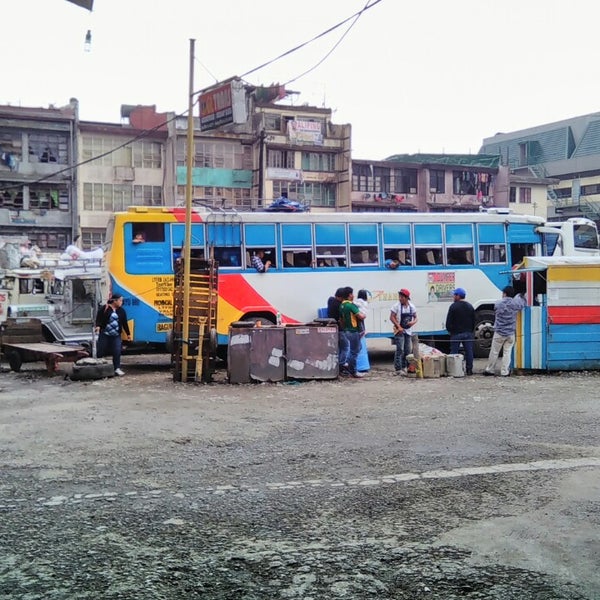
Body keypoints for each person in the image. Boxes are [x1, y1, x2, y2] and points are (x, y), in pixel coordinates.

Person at [483, 285, 527, 377]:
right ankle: (504, 372)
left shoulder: (498, 303)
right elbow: (522, 303)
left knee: (494, 351)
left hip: (499, 332)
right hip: (510, 333)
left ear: (504, 293)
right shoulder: (515, 303)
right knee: (507, 352)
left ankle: (490, 369)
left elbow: (496, 309)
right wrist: (520, 295)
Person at [95, 293, 132, 376]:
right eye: (120, 300)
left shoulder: (121, 311)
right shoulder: (105, 308)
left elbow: (124, 323)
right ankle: (98, 367)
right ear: (114, 301)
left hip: (116, 334)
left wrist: (128, 334)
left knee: (117, 351)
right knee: (101, 350)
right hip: (105, 333)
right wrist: (98, 326)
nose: (121, 302)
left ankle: (117, 368)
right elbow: (99, 318)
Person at [445, 287, 475, 376]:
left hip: (456, 333)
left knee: (454, 352)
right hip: (468, 333)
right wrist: (471, 331)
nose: (453, 297)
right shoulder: (470, 306)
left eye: (454, 295)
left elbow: (449, 321)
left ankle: (454, 370)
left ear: (458, 296)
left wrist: (449, 330)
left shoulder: (453, 306)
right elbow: (474, 320)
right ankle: (469, 370)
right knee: (469, 351)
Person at [338, 287, 366, 378]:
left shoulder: (341, 305)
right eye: (352, 294)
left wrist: (345, 328)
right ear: (349, 295)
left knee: (357, 348)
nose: (353, 296)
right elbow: (360, 316)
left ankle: (349, 367)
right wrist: (364, 315)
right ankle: (353, 371)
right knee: (354, 352)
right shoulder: (351, 306)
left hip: (346, 331)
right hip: (353, 331)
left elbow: (341, 320)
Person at [390, 288, 418, 375]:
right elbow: (392, 317)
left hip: (408, 331)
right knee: (400, 350)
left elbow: (416, 317)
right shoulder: (396, 306)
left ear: (406, 298)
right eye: (400, 297)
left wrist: (412, 322)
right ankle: (398, 368)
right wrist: (398, 326)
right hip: (399, 331)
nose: (400, 298)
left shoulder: (412, 307)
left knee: (407, 350)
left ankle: (405, 367)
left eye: (402, 297)